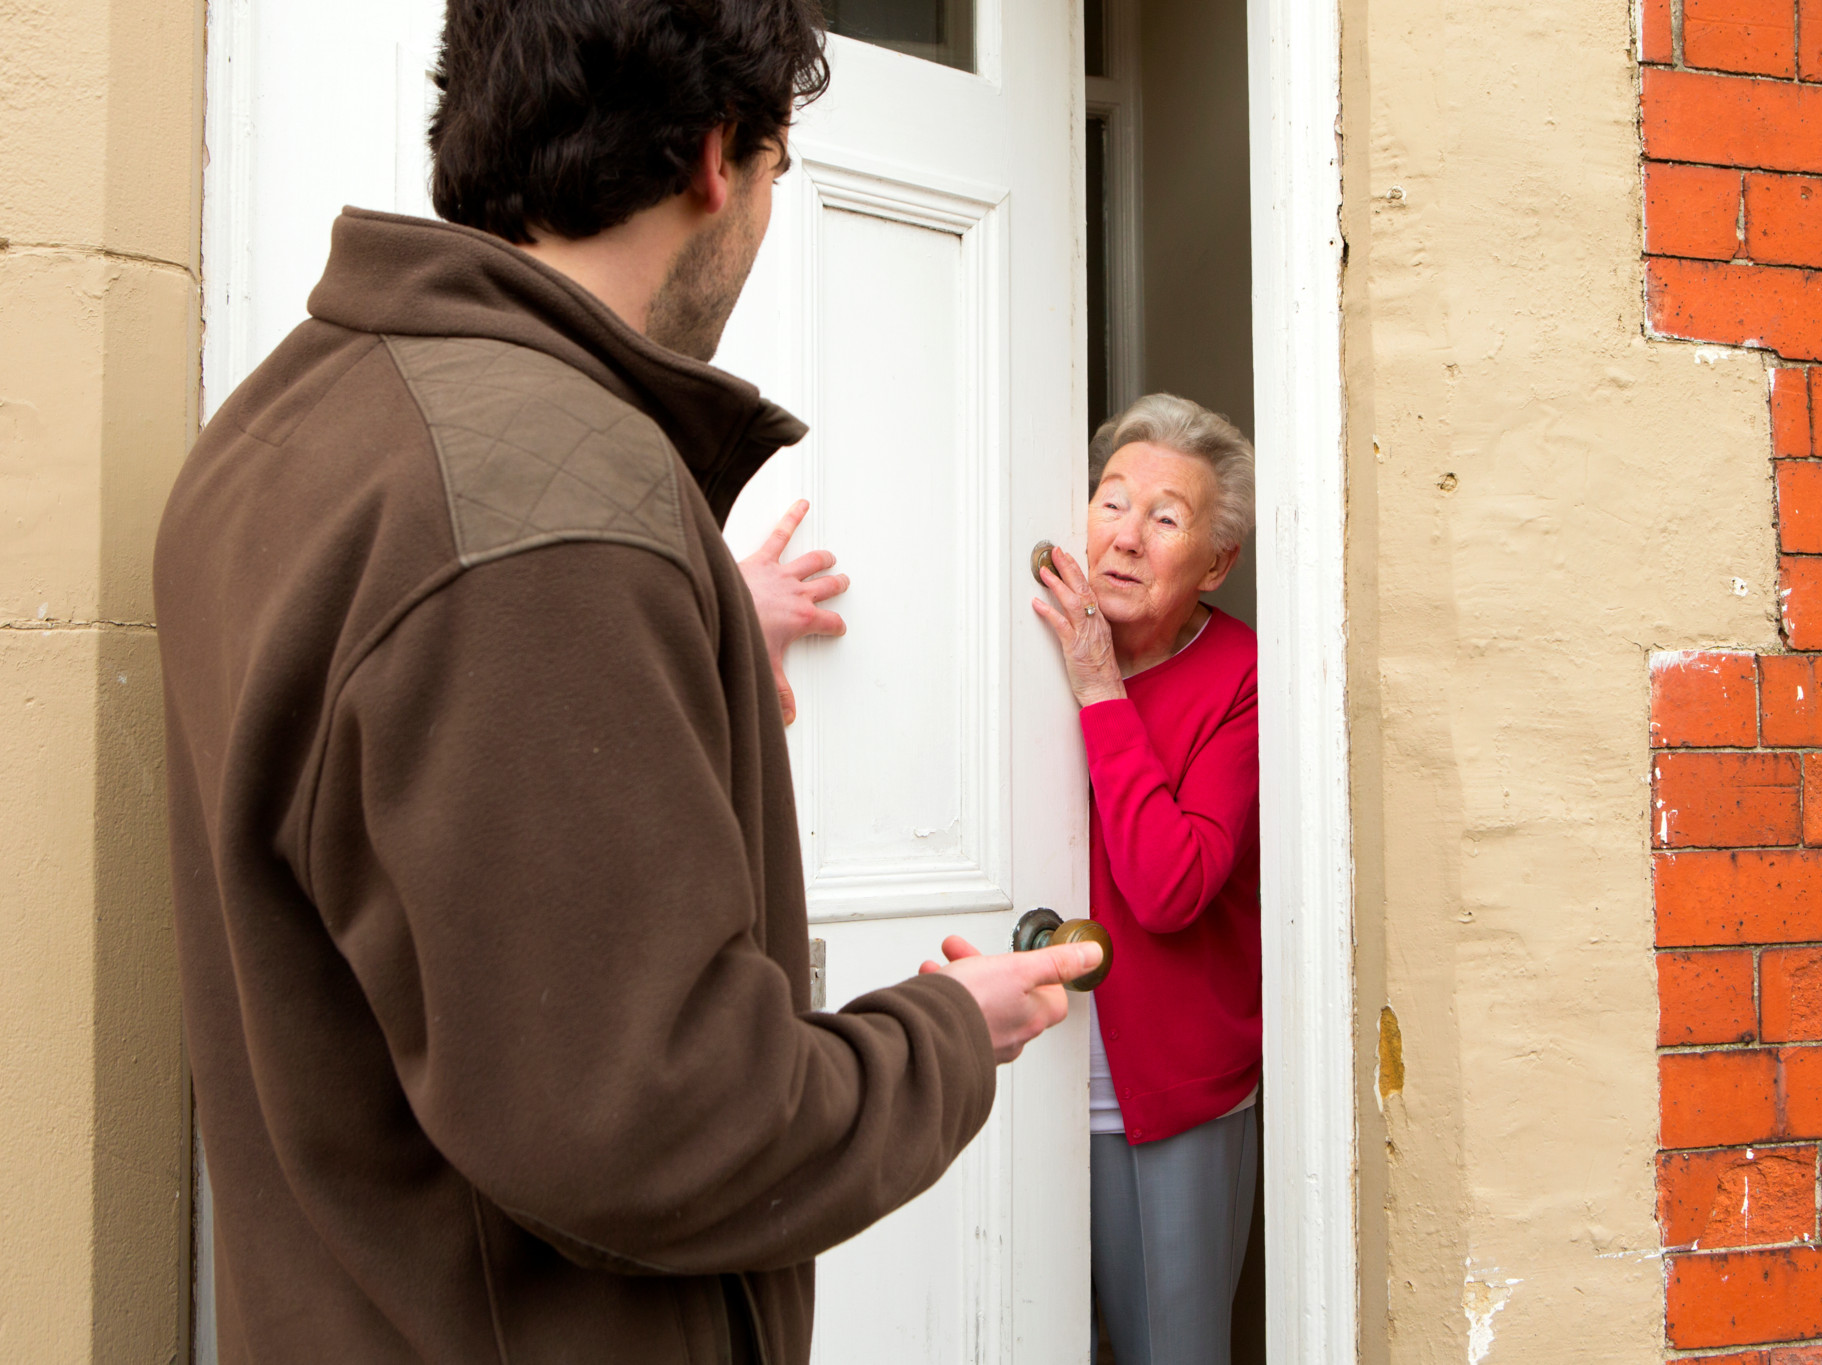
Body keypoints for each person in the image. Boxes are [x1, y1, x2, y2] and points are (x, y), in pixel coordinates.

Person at [152, 2, 1099, 1361]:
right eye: (779, 175)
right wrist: (950, 1033)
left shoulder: (287, 425)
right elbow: (662, 1122)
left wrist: (688, 637)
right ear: (718, 159)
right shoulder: (551, 512)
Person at [1032, 394, 1262, 1365]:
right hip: (1018, 1072)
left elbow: (1171, 887)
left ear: (1214, 562)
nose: (1123, 537)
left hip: (1166, 1099)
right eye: (1110, 501)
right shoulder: (1021, 641)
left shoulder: (1243, 677)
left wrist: (1098, 688)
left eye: (1162, 518)